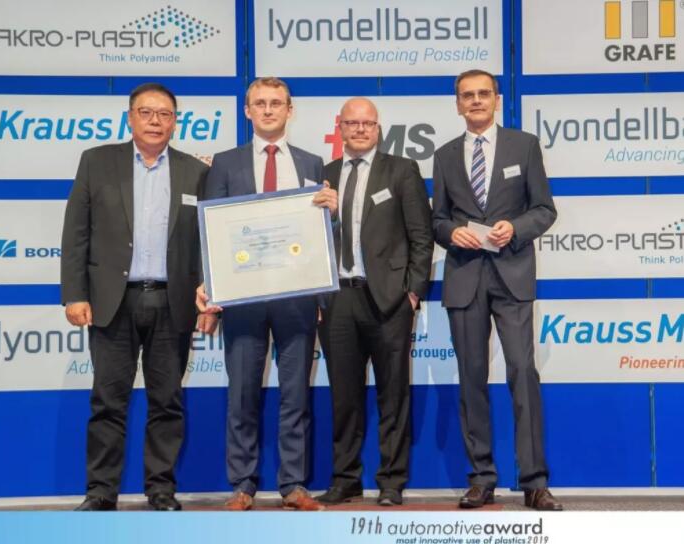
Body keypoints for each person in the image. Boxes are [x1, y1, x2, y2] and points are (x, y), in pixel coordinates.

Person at [61, 82, 208, 511]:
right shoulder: (96, 162)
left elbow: (207, 242)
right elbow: (76, 233)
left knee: (167, 403)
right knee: (108, 403)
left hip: (172, 303)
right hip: (113, 302)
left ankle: (160, 489)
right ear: (130, 118)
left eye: (165, 114)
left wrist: (210, 296)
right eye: (146, 112)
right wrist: (74, 294)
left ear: (176, 122)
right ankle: (100, 492)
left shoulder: (195, 172)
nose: (155, 121)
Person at [195, 77, 337, 511]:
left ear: (290, 110)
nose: (269, 109)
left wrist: (332, 213)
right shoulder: (225, 163)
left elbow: (319, 234)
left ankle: (293, 485)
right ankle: (243, 484)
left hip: (297, 297)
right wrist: (212, 286)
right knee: (242, 394)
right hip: (243, 298)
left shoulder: (312, 162)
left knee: (296, 395)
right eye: (260, 103)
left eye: (277, 103)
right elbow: (211, 232)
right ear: (247, 110)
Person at [432, 69, 562, 511]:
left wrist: (516, 228)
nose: (475, 101)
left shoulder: (524, 146)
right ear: (457, 104)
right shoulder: (445, 155)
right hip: (465, 277)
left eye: (483, 93)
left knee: (522, 373)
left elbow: (544, 209)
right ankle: (481, 478)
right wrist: (451, 233)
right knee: (471, 379)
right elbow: (437, 219)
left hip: (512, 274)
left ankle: (535, 482)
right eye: (467, 95)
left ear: (496, 99)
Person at [315, 97, 433, 507]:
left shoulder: (401, 170)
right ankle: (345, 478)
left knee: (393, 395)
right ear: (341, 128)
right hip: (338, 300)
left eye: (368, 123)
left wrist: (412, 292)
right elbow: (310, 241)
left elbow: (422, 236)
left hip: (388, 300)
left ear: (378, 128)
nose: (361, 129)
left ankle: (391, 481)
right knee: (343, 397)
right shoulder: (325, 175)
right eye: (352, 123)